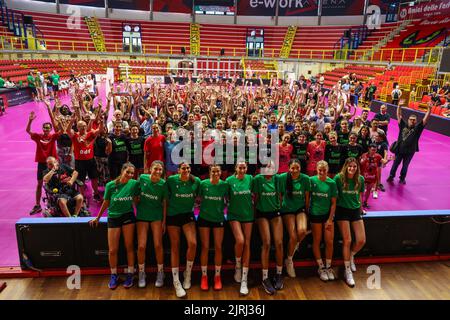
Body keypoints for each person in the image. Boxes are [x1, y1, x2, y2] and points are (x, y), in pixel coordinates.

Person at [89, 162, 139, 289]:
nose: (130, 175)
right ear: (122, 171)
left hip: (128, 216)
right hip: (113, 218)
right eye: (127, 172)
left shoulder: (134, 184)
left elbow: (137, 200)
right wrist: (98, 217)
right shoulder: (111, 185)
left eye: (132, 173)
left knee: (129, 247)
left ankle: (130, 273)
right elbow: (106, 202)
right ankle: (113, 274)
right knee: (112, 250)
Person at [166, 162, 200, 298]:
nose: (185, 170)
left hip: (187, 215)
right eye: (183, 168)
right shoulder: (171, 181)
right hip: (173, 215)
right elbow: (166, 199)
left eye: (187, 168)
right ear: (178, 170)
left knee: (193, 244)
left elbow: (198, 196)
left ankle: (188, 274)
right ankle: (176, 281)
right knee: (175, 246)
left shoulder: (196, 181)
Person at [333, 158, 366, 287]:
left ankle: (351, 255)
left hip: (355, 210)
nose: (352, 168)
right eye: (350, 166)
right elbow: (334, 197)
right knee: (347, 240)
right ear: (346, 167)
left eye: (355, 166)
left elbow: (359, 195)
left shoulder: (360, 179)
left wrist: (361, 208)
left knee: (361, 240)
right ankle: (347, 271)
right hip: (342, 211)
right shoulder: (338, 178)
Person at [252, 163, 284, 295]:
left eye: (271, 167)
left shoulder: (277, 179)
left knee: (279, 243)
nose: (269, 170)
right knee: (266, 243)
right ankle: (265, 277)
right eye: (266, 167)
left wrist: (279, 206)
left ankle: (279, 274)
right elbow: (256, 198)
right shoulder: (258, 179)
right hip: (262, 213)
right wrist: (254, 215)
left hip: (275, 212)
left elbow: (280, 195)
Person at [135, 160, 167, 288]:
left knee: (158, 245)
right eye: (156, 169)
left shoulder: (163, 184)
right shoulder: (142, 178)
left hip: (156, 216)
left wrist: (164, 221)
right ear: (150, 169)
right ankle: (141, 272)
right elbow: (135, 194)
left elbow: (164, 203)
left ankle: (160, 272)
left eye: (160, 170)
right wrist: (137, 205)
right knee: (141, 246)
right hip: (142, 215)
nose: (158, 172)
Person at [197, 164, 229, 291]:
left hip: (219, 219)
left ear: (221, 173)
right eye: (213, 172)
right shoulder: (203, 184)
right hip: (204, 218)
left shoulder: (225, 185)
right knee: (204, 247)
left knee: (218, 247)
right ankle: (204, 276)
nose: (215, 174)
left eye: (217, 171)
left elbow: (228, 199)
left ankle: (217, 276)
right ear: (209, 172)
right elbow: (198, 199)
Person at [278, 159, 310, 278]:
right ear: (289, 168)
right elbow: (280, 195)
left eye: (297, 168)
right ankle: (289, 260)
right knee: (293, 236)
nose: (295, 170)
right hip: (287, 210)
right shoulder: (282, 178)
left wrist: (307, 212)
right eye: (293, 168)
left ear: (300, 168)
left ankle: (294, 246)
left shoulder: (305, 179)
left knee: (302, 231)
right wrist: (279, 209)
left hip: (300, 209)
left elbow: (307, 197)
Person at [226, 161, 254, 296]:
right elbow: (225, 197)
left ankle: (244, 279)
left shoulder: (250, 179)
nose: (242, 170)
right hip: (234, 215)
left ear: (246, 169)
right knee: (241, 241)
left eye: (244, 168)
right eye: (240, 167)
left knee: (248, 244)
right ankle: (237, 266)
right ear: (235, 168)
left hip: (248, 214)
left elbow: (256, 195)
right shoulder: (229, 180)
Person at [27, 111, 61, 215]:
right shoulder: (38, 136)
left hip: (52, 164)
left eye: (48, 128)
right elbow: (28, 130)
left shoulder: (53, 136)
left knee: (57, 183)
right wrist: (30, 120)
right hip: (42, 164)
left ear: (50, 129)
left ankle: (59, 203)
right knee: (39, 184)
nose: (46, 129)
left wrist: (53, 116)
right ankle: (37, 205)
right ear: (43, 129)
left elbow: (59, 130)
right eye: (44, 127)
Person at [387, 103, 431, 184]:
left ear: (416, 121)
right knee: (395, 164)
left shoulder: (418, 128)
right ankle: (391, 175)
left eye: (414, 120)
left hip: (410, 151)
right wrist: (399, 106)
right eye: (411, 119)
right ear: (408, 120)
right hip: (399, 149)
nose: (412, 121)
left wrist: (429, 109)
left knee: (405, 166)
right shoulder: (403, 125)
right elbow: (399, 115)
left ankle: (402, 178)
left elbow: (425, 119)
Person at [309, 160, 338, 282]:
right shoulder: (311, 181)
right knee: (317, 240)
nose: (322, 172)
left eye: (324, 170)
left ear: (327, 170)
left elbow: (333, 203)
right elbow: (307, 197)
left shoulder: (331, 183)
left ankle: (328, 266)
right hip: (315, 215)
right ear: (316, 170)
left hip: (327, 216)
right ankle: (321, 267)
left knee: (329, 241)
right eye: (320, 170)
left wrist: (330, 219)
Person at [68, 118, 102, 201]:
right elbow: (68, 130)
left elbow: (100, 130)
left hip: (91, 161)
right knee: (81, 180)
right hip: (80, 162)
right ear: (77, 127)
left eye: (84, 126)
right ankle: (82, 197)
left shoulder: (90, 134)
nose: (83, 128)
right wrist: (72, 121)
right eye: (81, 126)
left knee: (94, 178)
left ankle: (96, 194)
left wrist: (102, 122)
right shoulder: (75, 135)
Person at [360, 144, 382, 209]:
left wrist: (389, 160)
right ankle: (360, 203)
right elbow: (361, 163)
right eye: (372, 150)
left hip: (372, 176)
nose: (374, 151)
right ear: (369, 149)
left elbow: (383, 162)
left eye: (375, 150)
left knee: (369, 190)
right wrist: (365, 160)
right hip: (364, 176)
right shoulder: (364, 155)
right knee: (361, 190)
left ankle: (365, 202)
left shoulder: (378, 156)